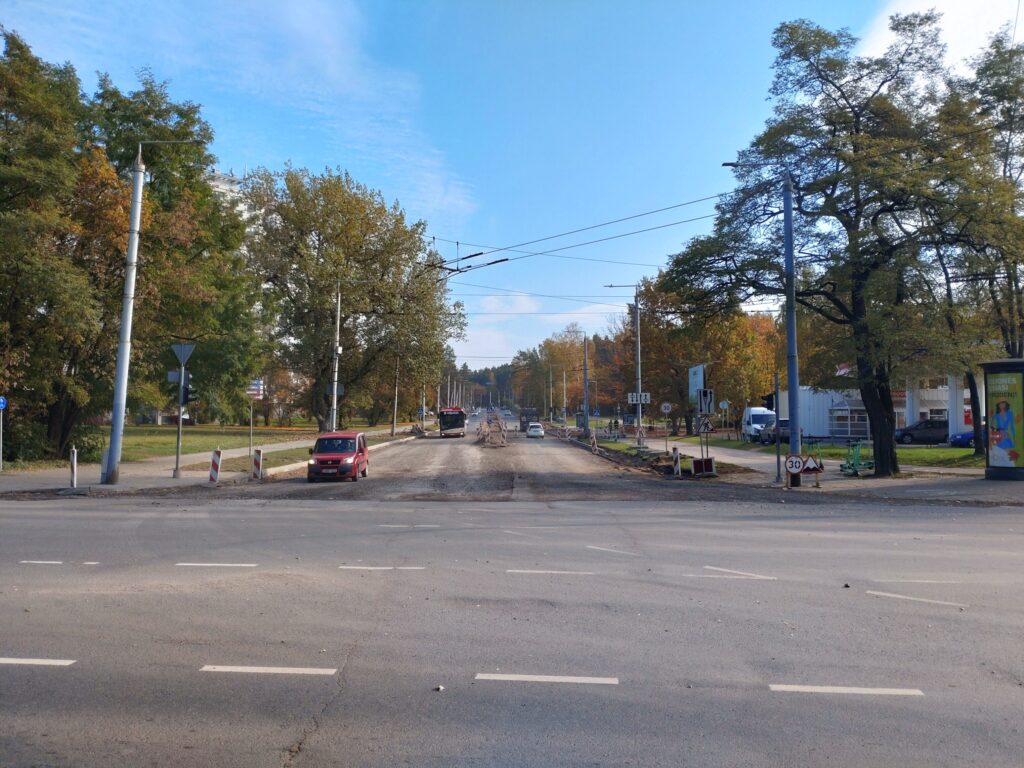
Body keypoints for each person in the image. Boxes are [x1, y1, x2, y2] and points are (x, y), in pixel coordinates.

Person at [989, 399, 1018, 466]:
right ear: (998, 405)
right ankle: (1001, 463)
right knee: (999, 450)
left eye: (1003, 403)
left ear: (1006, 405)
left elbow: (1011, 425)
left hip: (1005, 434)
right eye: (1000, 404)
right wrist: (993, 430)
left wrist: (1014, 436)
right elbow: (991, 424)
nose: (1001, 405)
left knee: (1007, 450)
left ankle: (1010, 464)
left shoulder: (1009, 413)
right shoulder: (996, 415)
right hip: (998, 434)